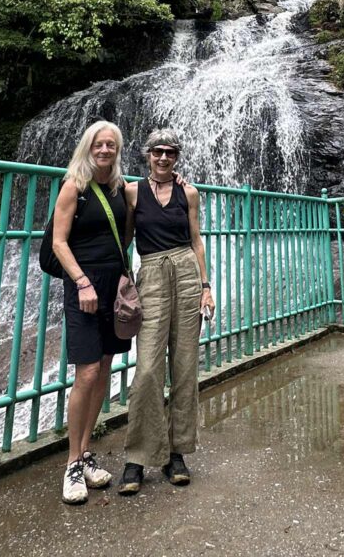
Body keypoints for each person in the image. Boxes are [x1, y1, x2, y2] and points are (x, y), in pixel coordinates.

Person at [118, 128, 215, 494]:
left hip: (187, 273)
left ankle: (178, 453)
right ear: (147, 155)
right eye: (157, 152)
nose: (163, 158)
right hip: (152, 274)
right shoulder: (131, 191)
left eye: (170, 153)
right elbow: (126, 240)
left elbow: (196, 240)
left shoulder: (188, 192)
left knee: (185, 366)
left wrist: (206, 287)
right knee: (146, 370)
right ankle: (138, 455)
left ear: (177, 157)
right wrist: (121, 279)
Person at [52, 120, 132, 504]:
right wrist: (82, 282)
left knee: (103, 368)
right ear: (88, 148)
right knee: (85, 371)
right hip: (83, 288)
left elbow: (132, 226)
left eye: (111, 146)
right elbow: (58, 241)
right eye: (99, 144)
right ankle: (70, 463)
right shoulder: (75, 187)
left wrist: (177, 177)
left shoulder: (119, 188)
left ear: (117, 151)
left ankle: (85, 453)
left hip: (113, 287)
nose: (105, 150)